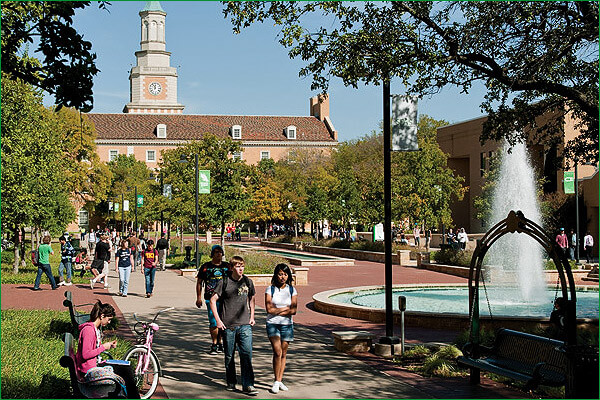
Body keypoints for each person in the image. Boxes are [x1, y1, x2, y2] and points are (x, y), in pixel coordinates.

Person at [210, 256, 258, 395]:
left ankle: (248, 385)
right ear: (231, 268)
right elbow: (213, 300)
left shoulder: (248, 282)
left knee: (246, 355)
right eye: (237, 266)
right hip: (228, 326)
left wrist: (252, 316)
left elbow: (252, 298)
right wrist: (218, 321)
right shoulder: (224, 282)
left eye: (242, 265)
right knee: (229, 356)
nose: (241, 268)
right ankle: (231, 382)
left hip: (245, 325)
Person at [75, 300, 139, 398]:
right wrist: (103, 347)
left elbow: (93, 349)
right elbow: (85, 354)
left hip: (92, 366)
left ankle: (133, 397)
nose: (109, 322)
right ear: (102, 316)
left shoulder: (93, 329)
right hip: (88, 372)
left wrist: (107, 345)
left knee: (126, 368)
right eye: (108, 319)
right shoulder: (88, 330)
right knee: (125, 371)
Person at [265, 263, 297, 394]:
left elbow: (294, 310)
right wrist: (284, 309)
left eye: (285, 274)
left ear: (288, 275)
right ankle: (276, 381)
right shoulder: (270, 289)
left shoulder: (292, 290)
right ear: (275, 275)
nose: (282, 277)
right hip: (273, 324)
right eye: (280, 274)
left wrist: (277, 311)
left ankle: (279, 380)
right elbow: (268, 309)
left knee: (283, 354)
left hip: (287, 325)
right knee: (277, 351)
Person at [196, 245, 230, 355]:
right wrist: (198, 298)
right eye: (216, 252)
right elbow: (199, 282)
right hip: (210, 298)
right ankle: (215, 343)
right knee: (214, 322)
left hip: (225, 299)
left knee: (223, 321)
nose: (218, 254)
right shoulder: (206, 267)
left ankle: (220, 342)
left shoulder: (227, 267)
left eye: (220, 252)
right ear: (212, 254)